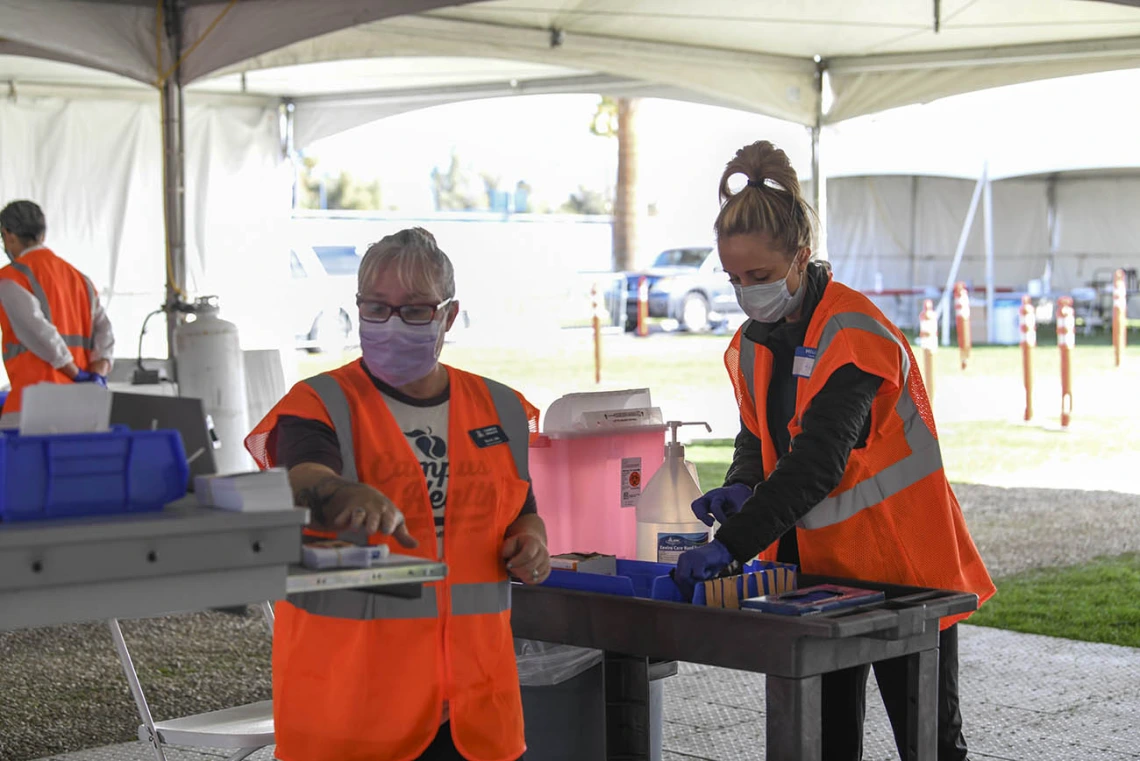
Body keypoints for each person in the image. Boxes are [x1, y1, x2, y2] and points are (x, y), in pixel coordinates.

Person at [673, 142, 995, 761]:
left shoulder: (853, 333)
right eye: (734, 278)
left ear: (801, 256)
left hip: (903, 570)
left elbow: (817, 463)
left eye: (759, 277)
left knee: (928, 742)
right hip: (815, 573)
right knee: (822, 742)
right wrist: (743, 481)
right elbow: (755, 432)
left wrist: (731, 544)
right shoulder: (753, 341)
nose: (746, 292)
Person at [245, 227, 549, 761]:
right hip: (354, 706)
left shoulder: (499, 408)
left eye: (413, 311)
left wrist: (531, 541)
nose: (390, 324)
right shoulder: (320, 402)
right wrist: (340, 493)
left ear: (448, 317)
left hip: (475, 705)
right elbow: (302, 478)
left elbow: (521, 509)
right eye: (376, 308)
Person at [0, 200, 115, 425]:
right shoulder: (80, 279)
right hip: (84, 407)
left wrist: (74, 373)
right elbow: (105, 332)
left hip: (33, 406)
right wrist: (97, 374)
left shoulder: (11, 278)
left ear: (8, 234)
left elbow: (37, 332)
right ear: (42, 234)